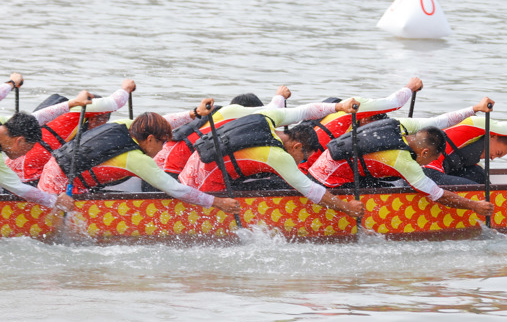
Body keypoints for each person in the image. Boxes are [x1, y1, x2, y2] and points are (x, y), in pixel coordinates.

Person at [37, 100, 240, 215]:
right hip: (59, 189)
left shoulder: (128, 126)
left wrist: (194, 113)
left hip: (54, 168)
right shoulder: (136, 159)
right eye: (162, 143)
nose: (162, 149)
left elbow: (166, 120)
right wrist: (218, 203)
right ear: (150, 139)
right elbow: (176, 189)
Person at [307, 98, 496, 216]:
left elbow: (438, 121)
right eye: (428, 161)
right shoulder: (402, 160)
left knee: (393, 183)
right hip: (327, 182)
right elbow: (437, 194)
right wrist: (474, 205)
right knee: (399, 188)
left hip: (329, 167)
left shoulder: (399, 125)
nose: (425, 165)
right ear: (424, 153)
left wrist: (474, 108)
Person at [178, 98, 364, 218]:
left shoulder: (267, 117)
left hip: (190, 171)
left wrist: (339, 106)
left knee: (273, 180)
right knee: (283, 185)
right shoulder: (276, 156)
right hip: (203, 186)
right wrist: (347, 208)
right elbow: (312, 192)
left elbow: (304, 112)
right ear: (297, 146)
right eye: (303, 158)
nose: (301, 162)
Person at [6, 79, 136, 184]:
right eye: (102, 123)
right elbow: (114, 102)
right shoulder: (80, 111)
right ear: (96, 117)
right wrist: (126, 87)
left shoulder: (65, 115)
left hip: (12, 170)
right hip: (27, 177)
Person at [154, 86, 290, 177]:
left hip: (160, 163)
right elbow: (272, 110)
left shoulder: (220, 117)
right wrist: (280, 95)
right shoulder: (236, 120)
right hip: (169, 169)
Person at [297, 77, 424, 173]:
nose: (373, 131)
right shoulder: (357, 107)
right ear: (366, 117)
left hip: (303, 167)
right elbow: (394, 103)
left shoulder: (341, 111)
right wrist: (410, 87)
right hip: (309, 172)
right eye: (374, 125)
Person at [0, 89, 94, 211]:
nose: (25, 154)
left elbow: (38, 117)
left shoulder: (5, 124)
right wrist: (56, 201)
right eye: (27, 149)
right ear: (20, 141)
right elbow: (19, 188)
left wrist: (73, 103)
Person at [424, 95, 507, 185]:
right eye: (497, 153)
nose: (492, 158)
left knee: (479, 175)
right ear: (492, 136)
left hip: (440, 171)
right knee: (475, 189)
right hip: (426, 171)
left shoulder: (474, 141)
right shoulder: (477, 125)